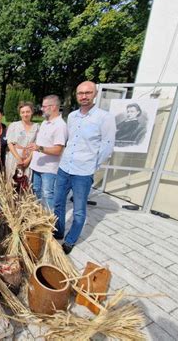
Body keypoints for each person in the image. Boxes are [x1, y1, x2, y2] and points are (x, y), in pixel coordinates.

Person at [54, 81, 116, 254]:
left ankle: (70, 240)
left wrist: (92, 164)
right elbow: (71, 141)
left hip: (83, 172)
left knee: (79, 210)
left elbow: (107, 146)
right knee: (58, 202)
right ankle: (58, 230)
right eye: (80, 93)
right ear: (76, 95)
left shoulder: (105, 118)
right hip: (65, 168)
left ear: (95, 94)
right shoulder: (73, 116)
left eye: (88, 92)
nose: (84, 96)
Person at [29, 95, 67, 209]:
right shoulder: (45, 122)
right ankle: (38, 217)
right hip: (37, 166)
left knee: (47, 194)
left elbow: (58, 150)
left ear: (54, 107)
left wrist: (39, 148)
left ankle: (51, 220)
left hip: (48, 169)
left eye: (44, 106)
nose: (42, 109)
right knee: (36, 192)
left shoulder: (60, 126)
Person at [5, 101, 39, 180]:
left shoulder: (36, 127)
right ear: (20, 114)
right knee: (13, 181)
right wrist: (18, 158)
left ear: (32, 112)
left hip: (29, 158)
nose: (25, 114)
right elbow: (10, 143)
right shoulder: (14, 125)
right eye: (23, 112)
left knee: (26, 182)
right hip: (15, 157)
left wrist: (28, 159)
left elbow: (36, 146)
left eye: (28, 112)